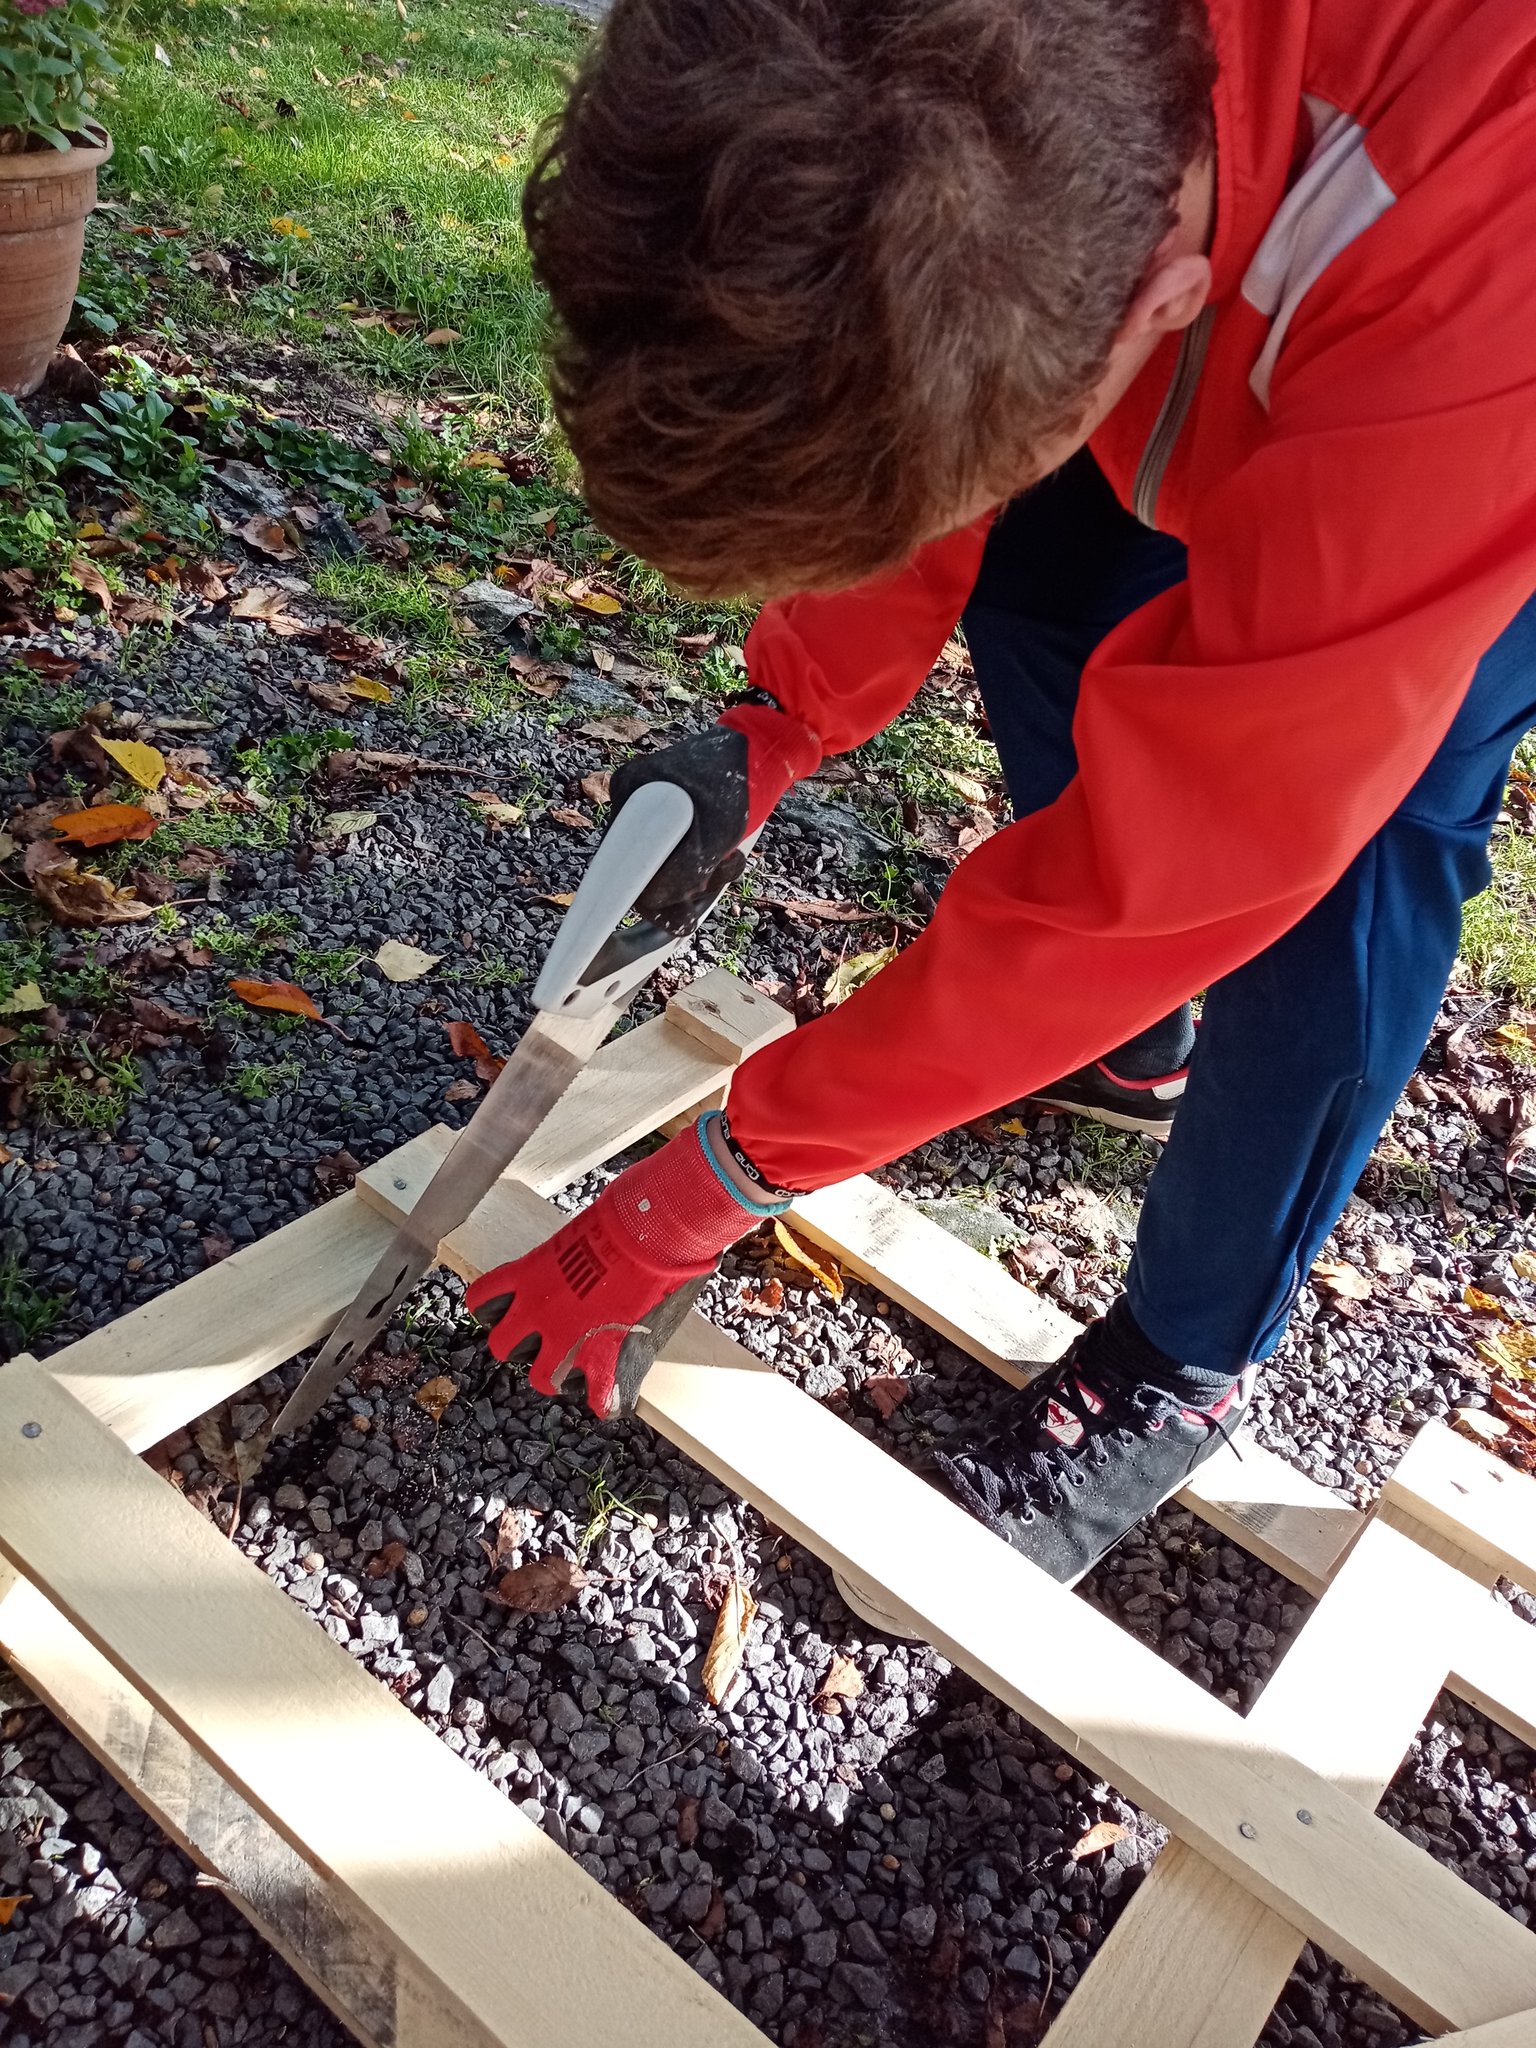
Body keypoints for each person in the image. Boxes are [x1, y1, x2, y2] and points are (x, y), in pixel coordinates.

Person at [465, 0, 1536, 1586]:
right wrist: (780, 719)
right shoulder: (922, 74)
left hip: (1470, 354)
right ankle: (1127, 1048)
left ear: (1171, 302)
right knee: (1043, 578)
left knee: (1355, 859)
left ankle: (1190, 1353)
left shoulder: (1477, 261)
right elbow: (911, 384)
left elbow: (1189, 855)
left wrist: (725, 1174)